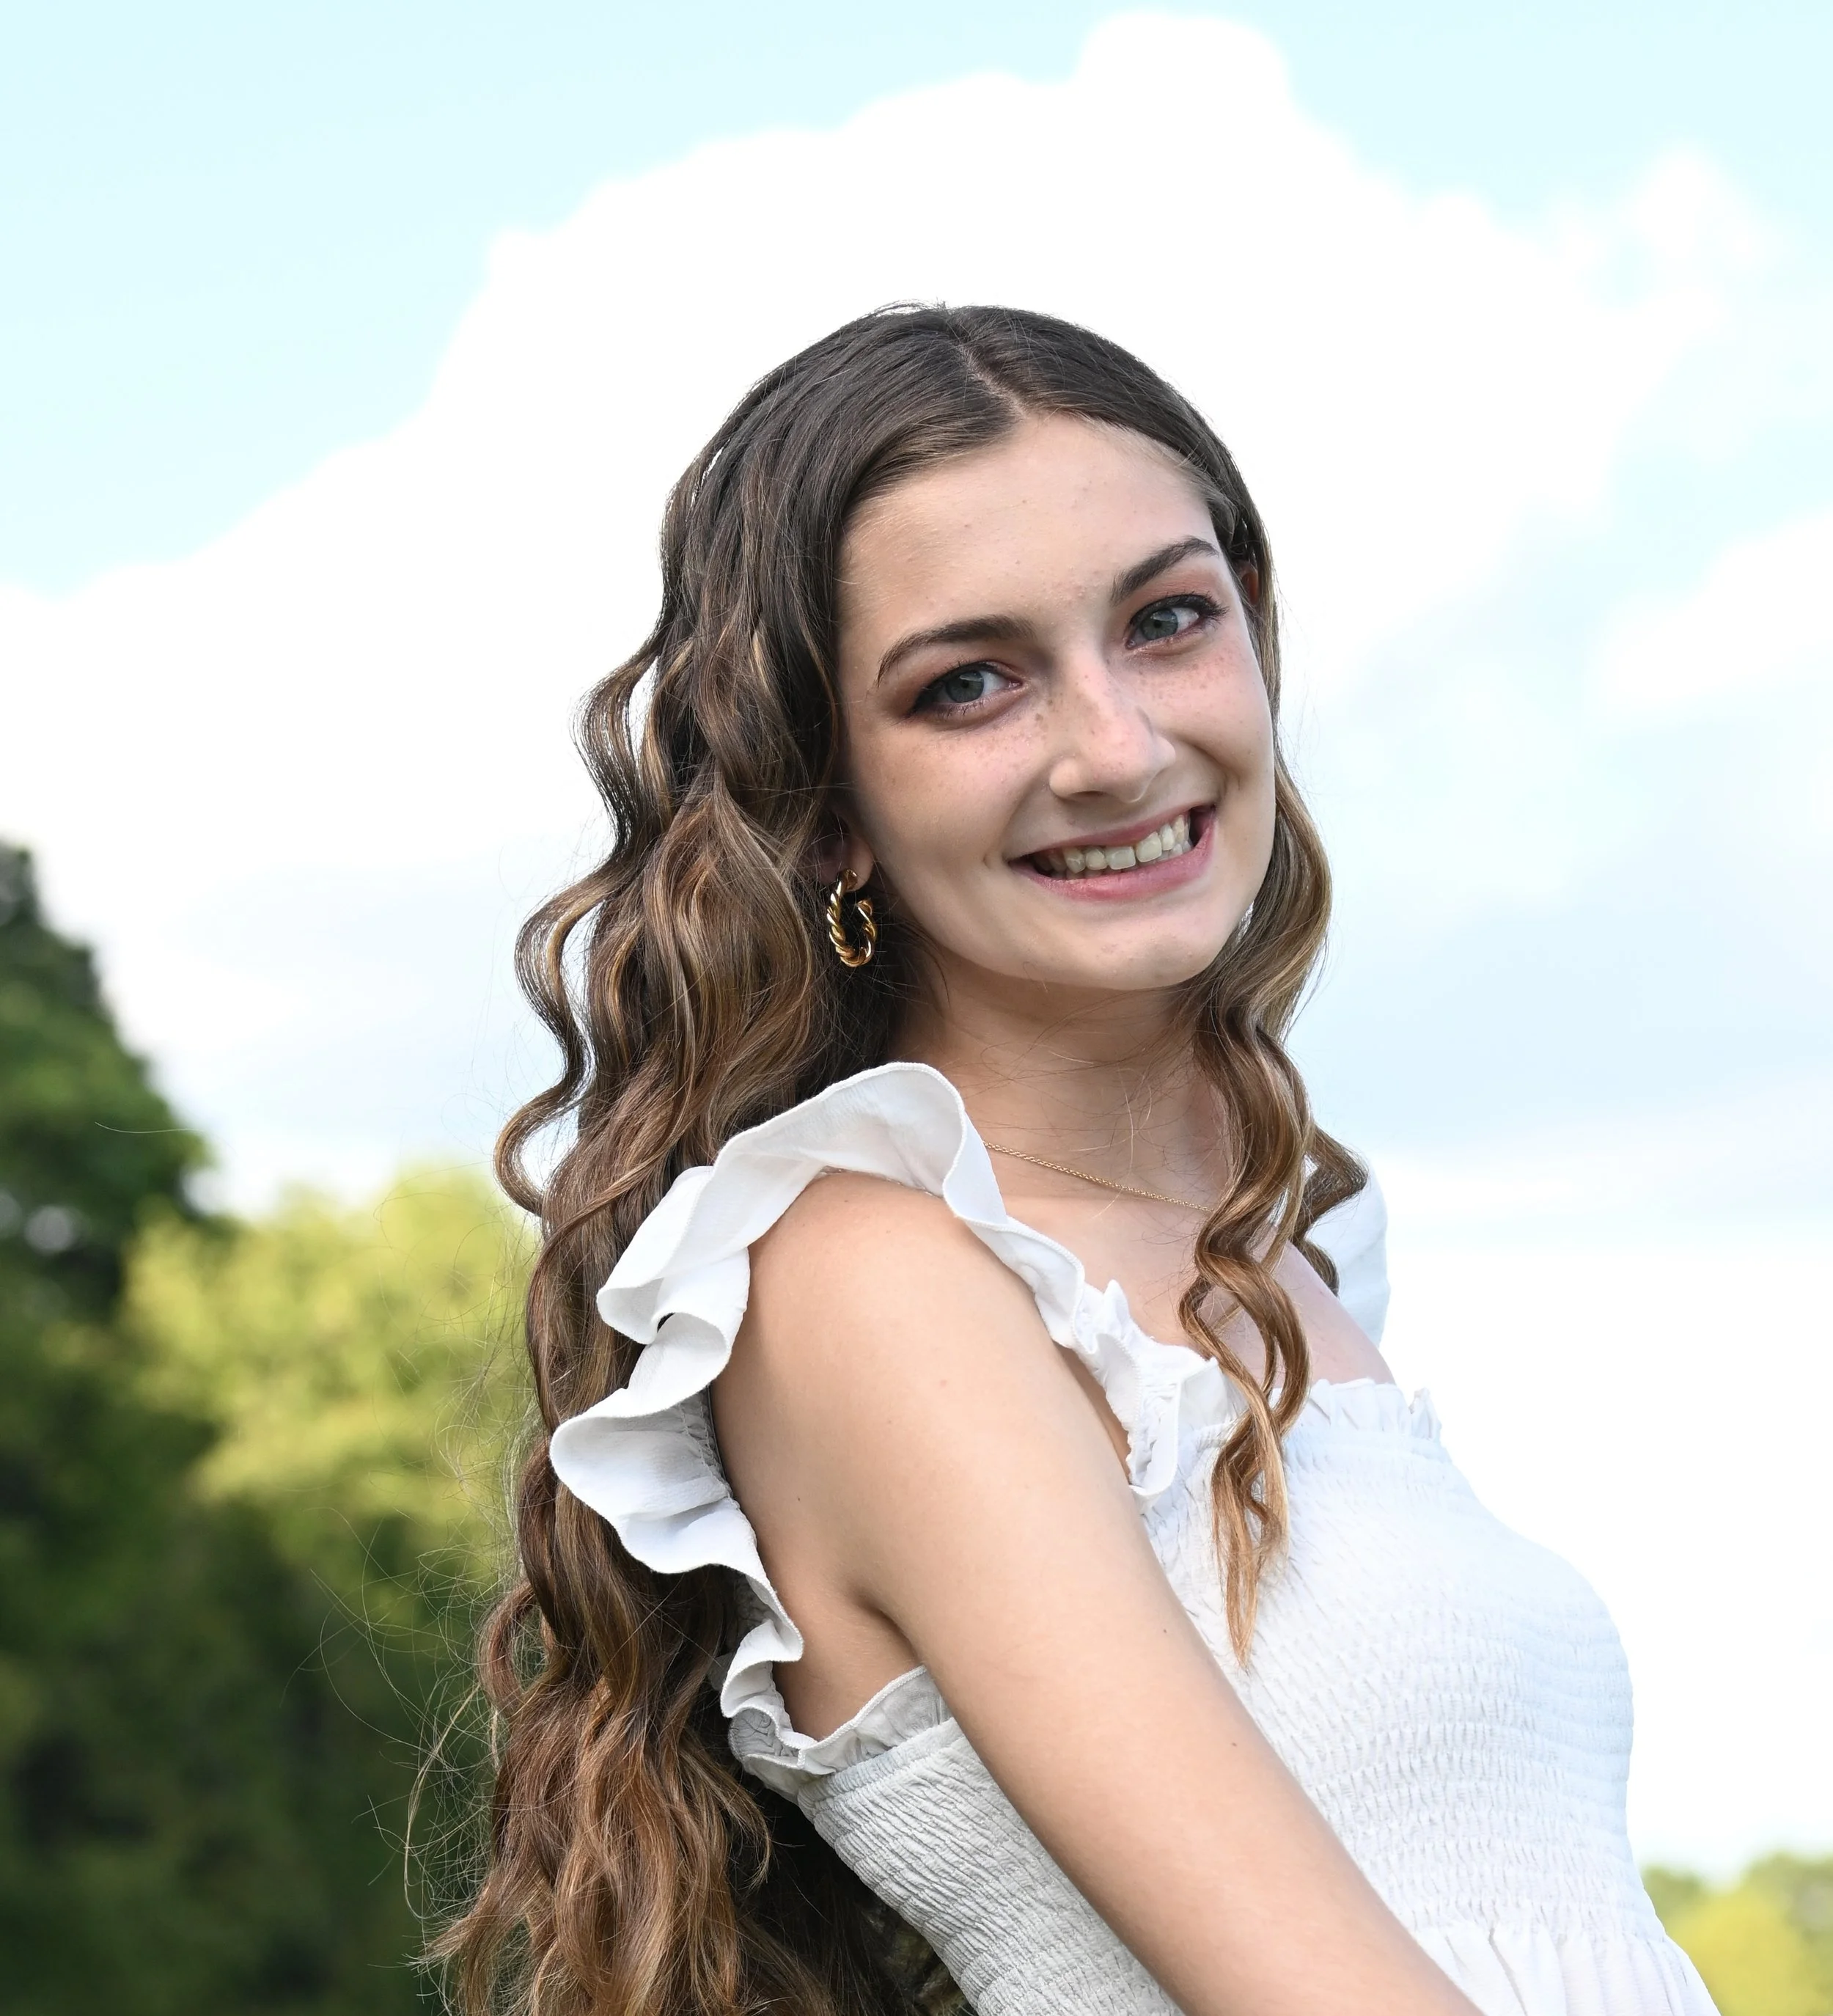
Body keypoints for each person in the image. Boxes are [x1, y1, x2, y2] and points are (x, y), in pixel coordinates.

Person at [444, 307, 1718, 2016]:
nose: (1115, 747)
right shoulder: (871, 1280)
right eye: (967, 684)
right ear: (827, 812)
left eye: (1165, 620)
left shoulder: (1286, 1265)